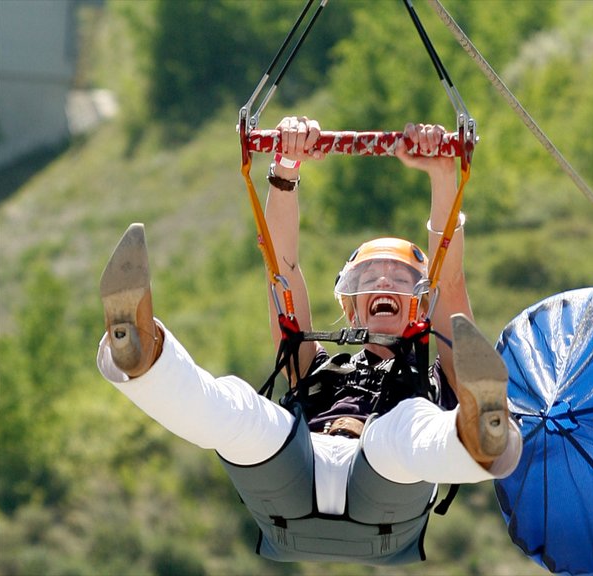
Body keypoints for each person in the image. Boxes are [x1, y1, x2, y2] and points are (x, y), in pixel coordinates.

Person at [96, 117, 522, 564]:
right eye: (370, 277)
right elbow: (281, 269)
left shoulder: (435, 374)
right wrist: (284, 169)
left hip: (384, 502)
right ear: (353, 307)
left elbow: (449, 285)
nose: (384, 281)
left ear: (420, 302)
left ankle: (481, 435)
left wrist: (442, 176)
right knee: (245, 410)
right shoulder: (317, 366)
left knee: (406, 426)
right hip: (295, 479)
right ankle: (141, 354)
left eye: (401, 278)